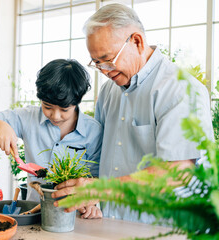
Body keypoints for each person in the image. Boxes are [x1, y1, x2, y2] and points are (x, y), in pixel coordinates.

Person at [52, 3, 214, 223]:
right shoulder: (109, 91)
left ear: (136, 41)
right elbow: (97, 156)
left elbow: (177, 174)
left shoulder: (180, 90)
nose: (104, 71)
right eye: (97, 63)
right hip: (109, 225)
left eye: (108, 60)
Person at [0, 59, 103, 219]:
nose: (55, 115)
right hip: (35, 216)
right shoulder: (28, 118)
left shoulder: (93, 131)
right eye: (47, 107)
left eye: (64, 109)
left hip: (75, 217)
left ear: (76, 102)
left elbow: (96, 179)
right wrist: (0, 125)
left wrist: (92, 205)